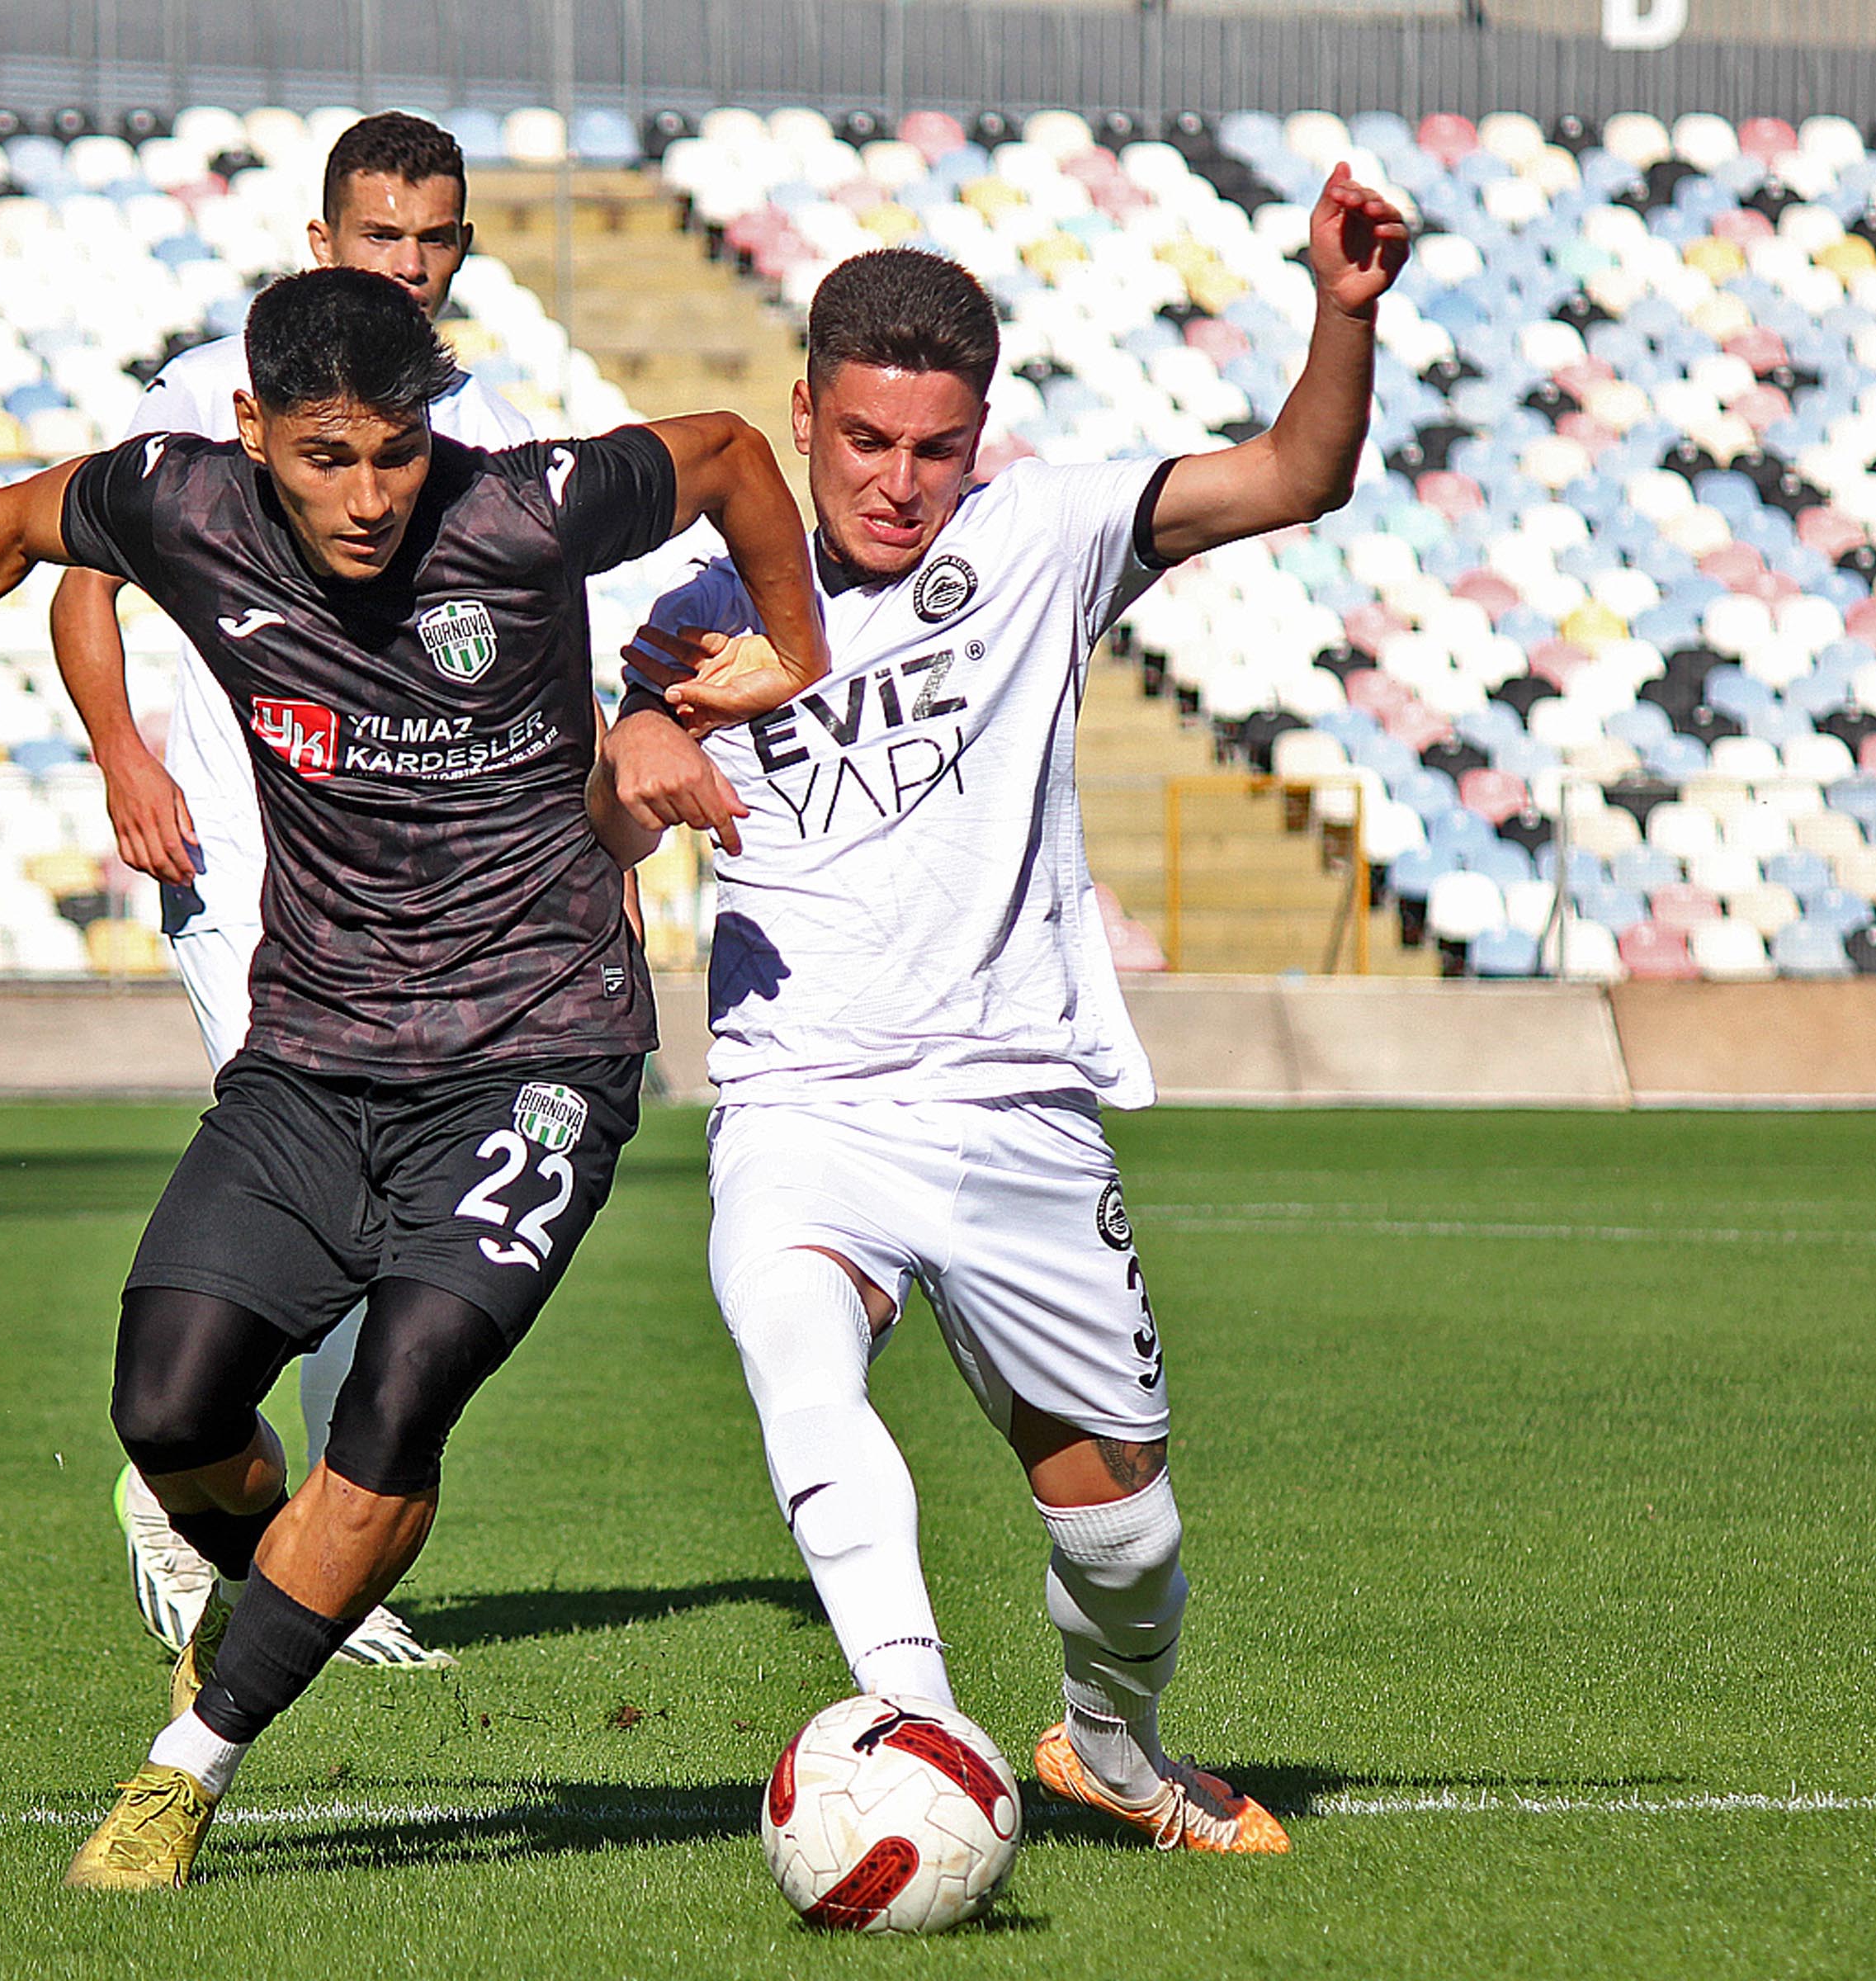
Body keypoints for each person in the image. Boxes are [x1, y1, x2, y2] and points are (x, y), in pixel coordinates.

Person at [0, 266, 826, 1890]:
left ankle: (182, 1775)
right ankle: (278, 1583)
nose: (367, 500)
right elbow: (9, 526)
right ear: (249, 433)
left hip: (537, 1056)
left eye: (398, 456)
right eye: (326, 459)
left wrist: (794, 639)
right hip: (319, 1052)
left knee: (400, 1393)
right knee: (167, 1399)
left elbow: (725, 455)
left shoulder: (527, 508)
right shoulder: (179, 502)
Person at [600, 166, 1407, 1855]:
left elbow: (1296, 473)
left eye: (938, 447)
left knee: (1126, 1542)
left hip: (1016, 1106)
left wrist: (1342, 312)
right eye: (869, 441)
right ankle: (923, 1725)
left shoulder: (1045, 539)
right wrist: (636, 755)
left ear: (982, 436)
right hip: (800, 1098)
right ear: (802, 418)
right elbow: (601, 812)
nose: (903, 482)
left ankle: (1111, 1748)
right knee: (802, 1369)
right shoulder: (680, 610)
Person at [56, 111, 535, 1672]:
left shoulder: (479, 413)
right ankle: (216, 1514)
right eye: (381, 235)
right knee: (327, 1183)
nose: (410, 261)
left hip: (413, 882)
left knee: (399, 1216)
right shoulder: (217, 390)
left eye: (436, 236)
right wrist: (127, 752)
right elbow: (77, 576)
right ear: (322, 242)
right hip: (248, 862)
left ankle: (302, 1544)